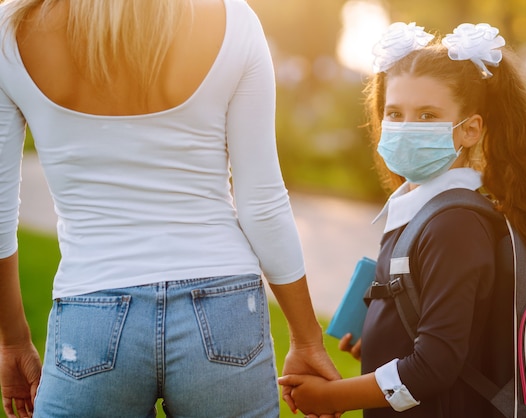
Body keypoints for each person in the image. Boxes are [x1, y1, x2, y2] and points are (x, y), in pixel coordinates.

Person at [0, 0, 341, 417]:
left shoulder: (12, 32)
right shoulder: (233, 19)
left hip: (92, 312)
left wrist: (12, 341)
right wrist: (307, 340)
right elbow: (262, 203)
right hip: (223, 305)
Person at [278, 22, 526, 417]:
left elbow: (435, 365)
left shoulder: (454, 225)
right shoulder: (422, 210)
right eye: (395, 113)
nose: (407, 128)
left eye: (427, 115)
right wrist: (383, 336)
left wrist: (331, 397)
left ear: (470, 130)